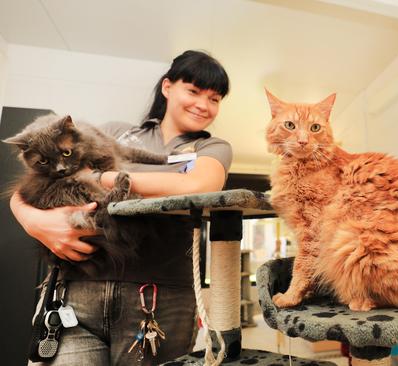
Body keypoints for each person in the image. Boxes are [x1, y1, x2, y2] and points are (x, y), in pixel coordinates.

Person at [10, 50, 232, 365]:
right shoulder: (116, 132)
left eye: (214, 98)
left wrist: (105, 177)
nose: (203, 105)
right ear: (168, 87)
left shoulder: (210, 147)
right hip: (76, 295)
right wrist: (33, 220)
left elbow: (200, 186)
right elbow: (30, 187)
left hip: (158, 299)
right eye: (194, 91)